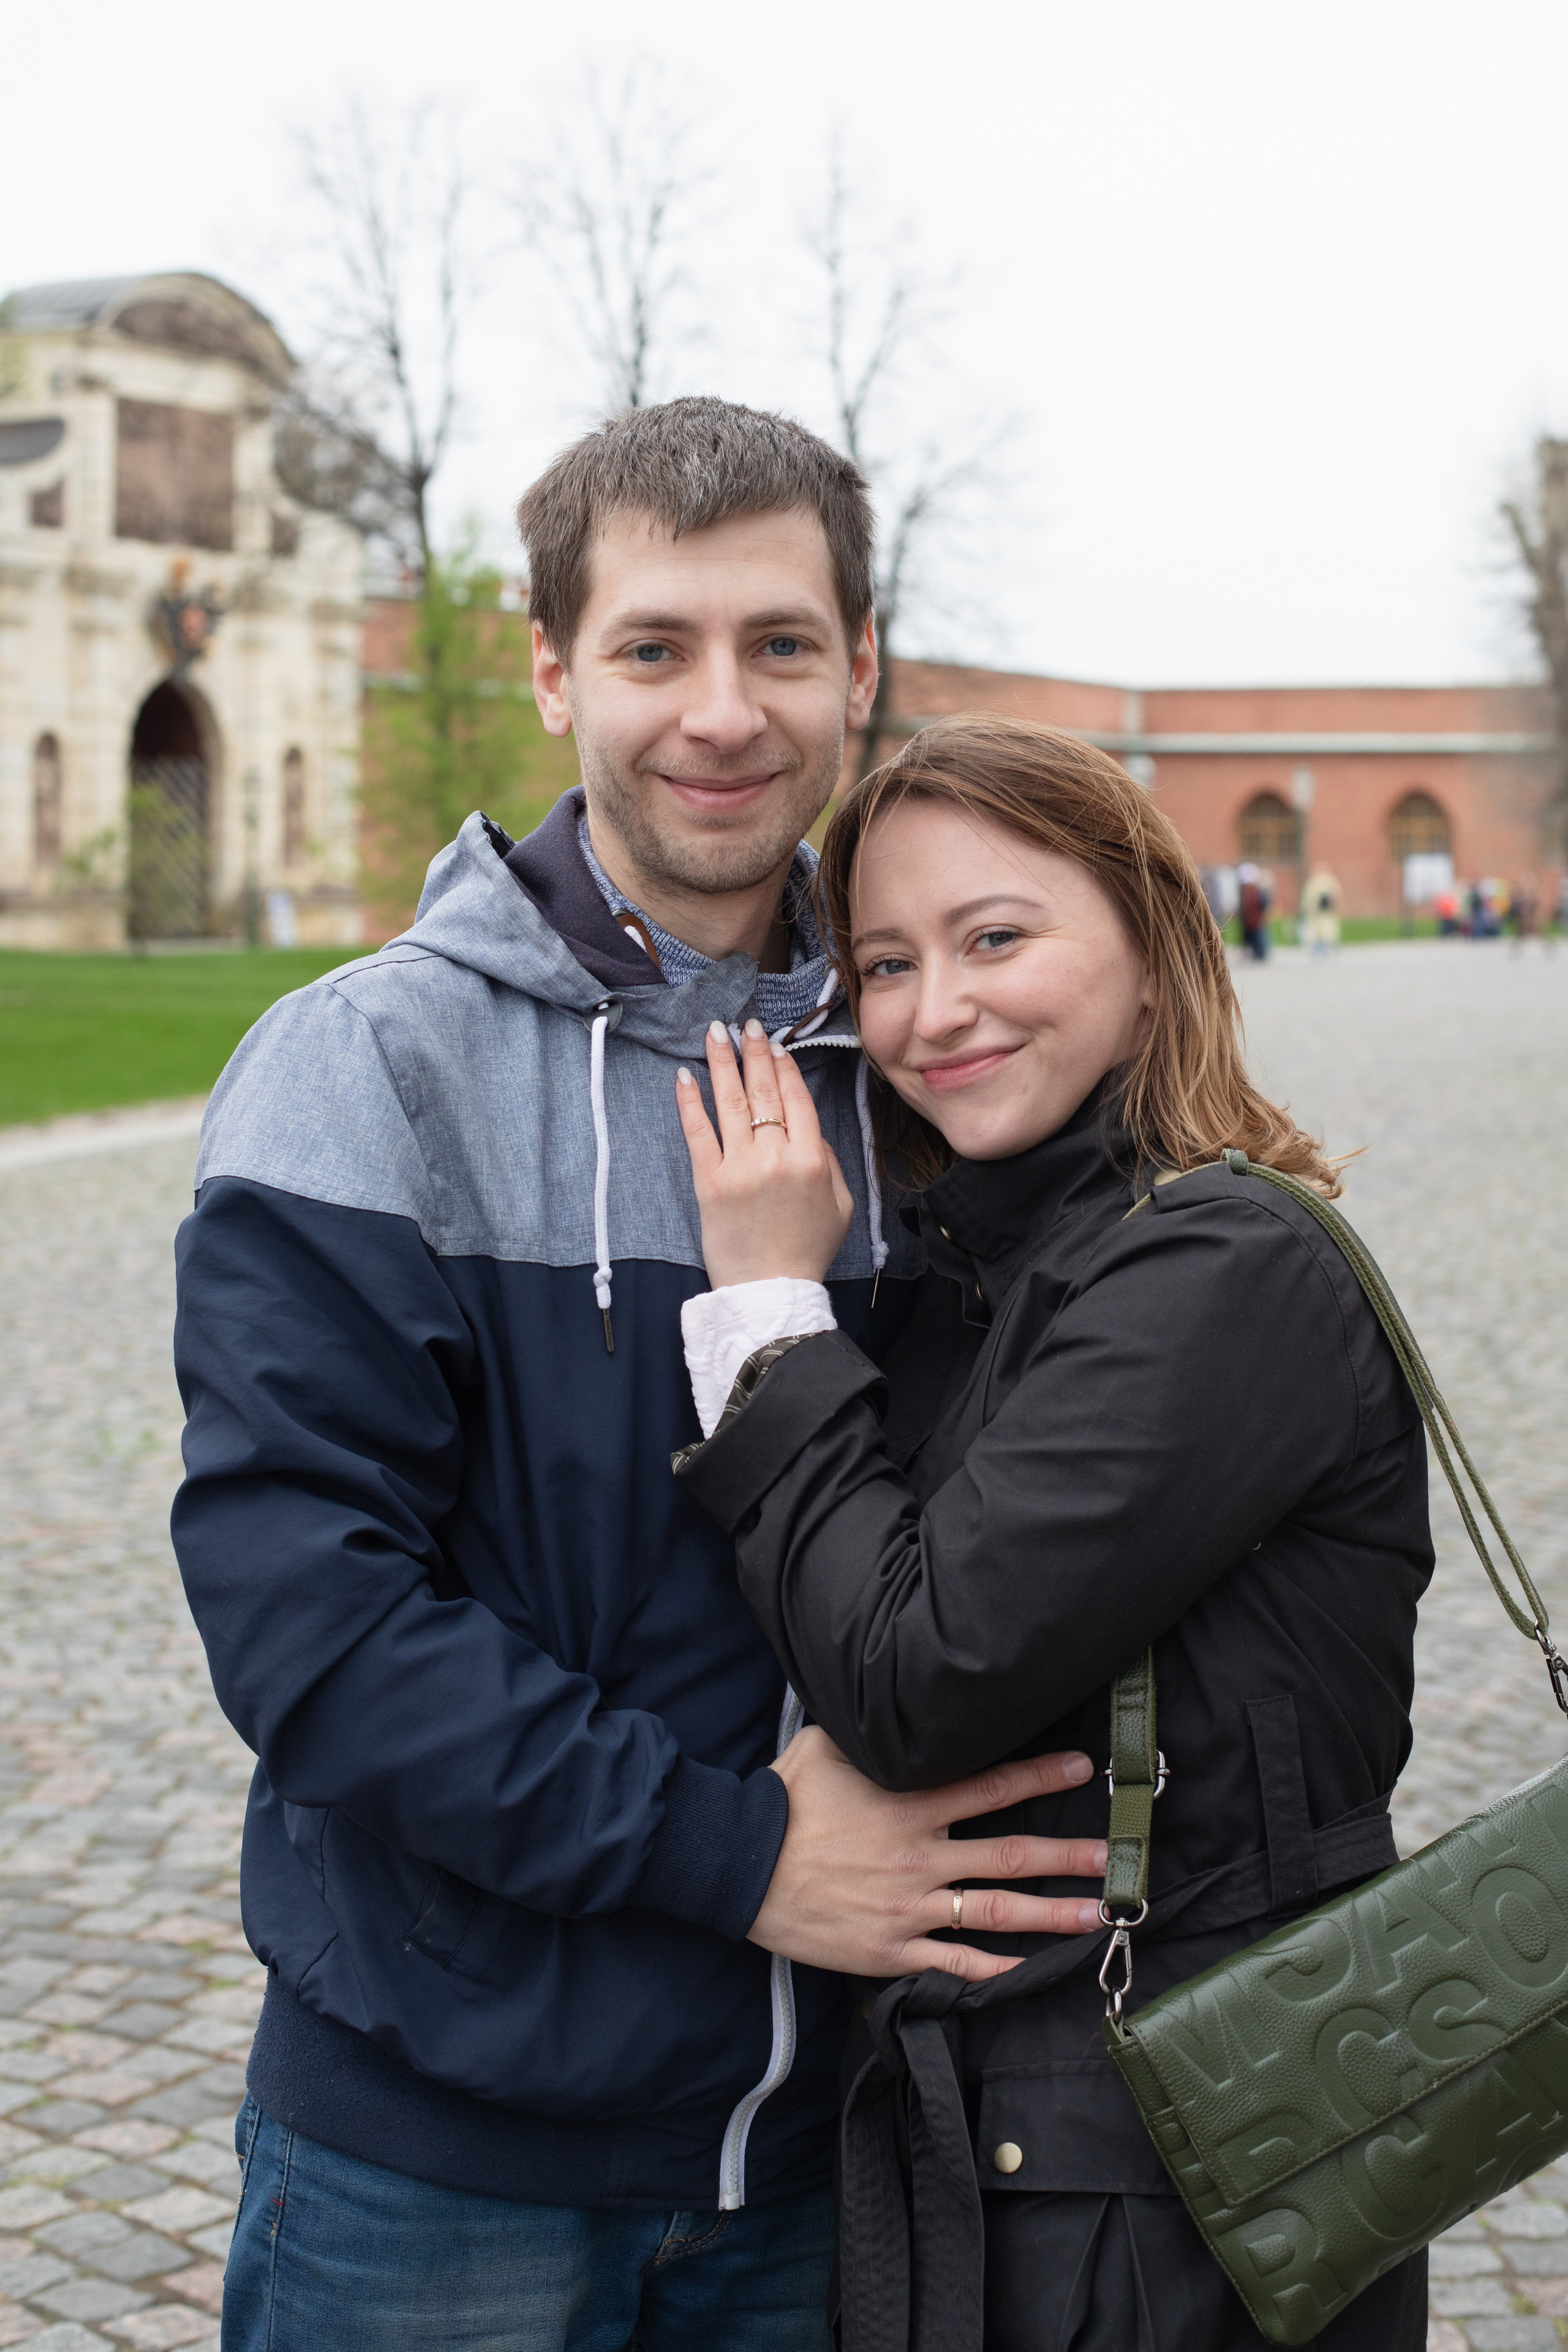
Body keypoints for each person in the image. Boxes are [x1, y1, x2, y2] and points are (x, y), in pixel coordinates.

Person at [172, 409, 1104, 2351]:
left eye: (781, 645)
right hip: (441, 2170)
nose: (722, 712)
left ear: (861, 666)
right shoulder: (365, 1069)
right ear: (552, 667)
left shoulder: (943, 1075)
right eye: (654, 646)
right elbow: (312, 1626)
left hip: (844, 2157)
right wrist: (740, 1855)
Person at [669, 716, 1434, 2350]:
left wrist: (765, 1317)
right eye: (885, 963)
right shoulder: (989, 1266)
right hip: (1030, 2156)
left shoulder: (1221, 1275)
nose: (932, 1011)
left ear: (1153, 952)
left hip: (1175, 2198)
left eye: (994, 937)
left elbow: (916, 1674)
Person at [1299, 864, 1341, 952]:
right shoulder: (1330, 880)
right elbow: (1336, 895)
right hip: (1325, 910)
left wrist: (1305, 909)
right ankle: (1328, 945)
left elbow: (1308, 898)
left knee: (1319, 927)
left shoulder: (1313, 881)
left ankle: (1322, 945)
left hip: (1317, 910)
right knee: (1327, 926)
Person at [1235, 859, 1270, 959]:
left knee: (1257, 936)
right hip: (1252, 919)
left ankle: (1260, 953)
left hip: (1254, 919)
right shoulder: (1252, 889)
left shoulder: (1253, 889)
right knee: (1254, 936)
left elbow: (1259, 903)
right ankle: (1257, 953)